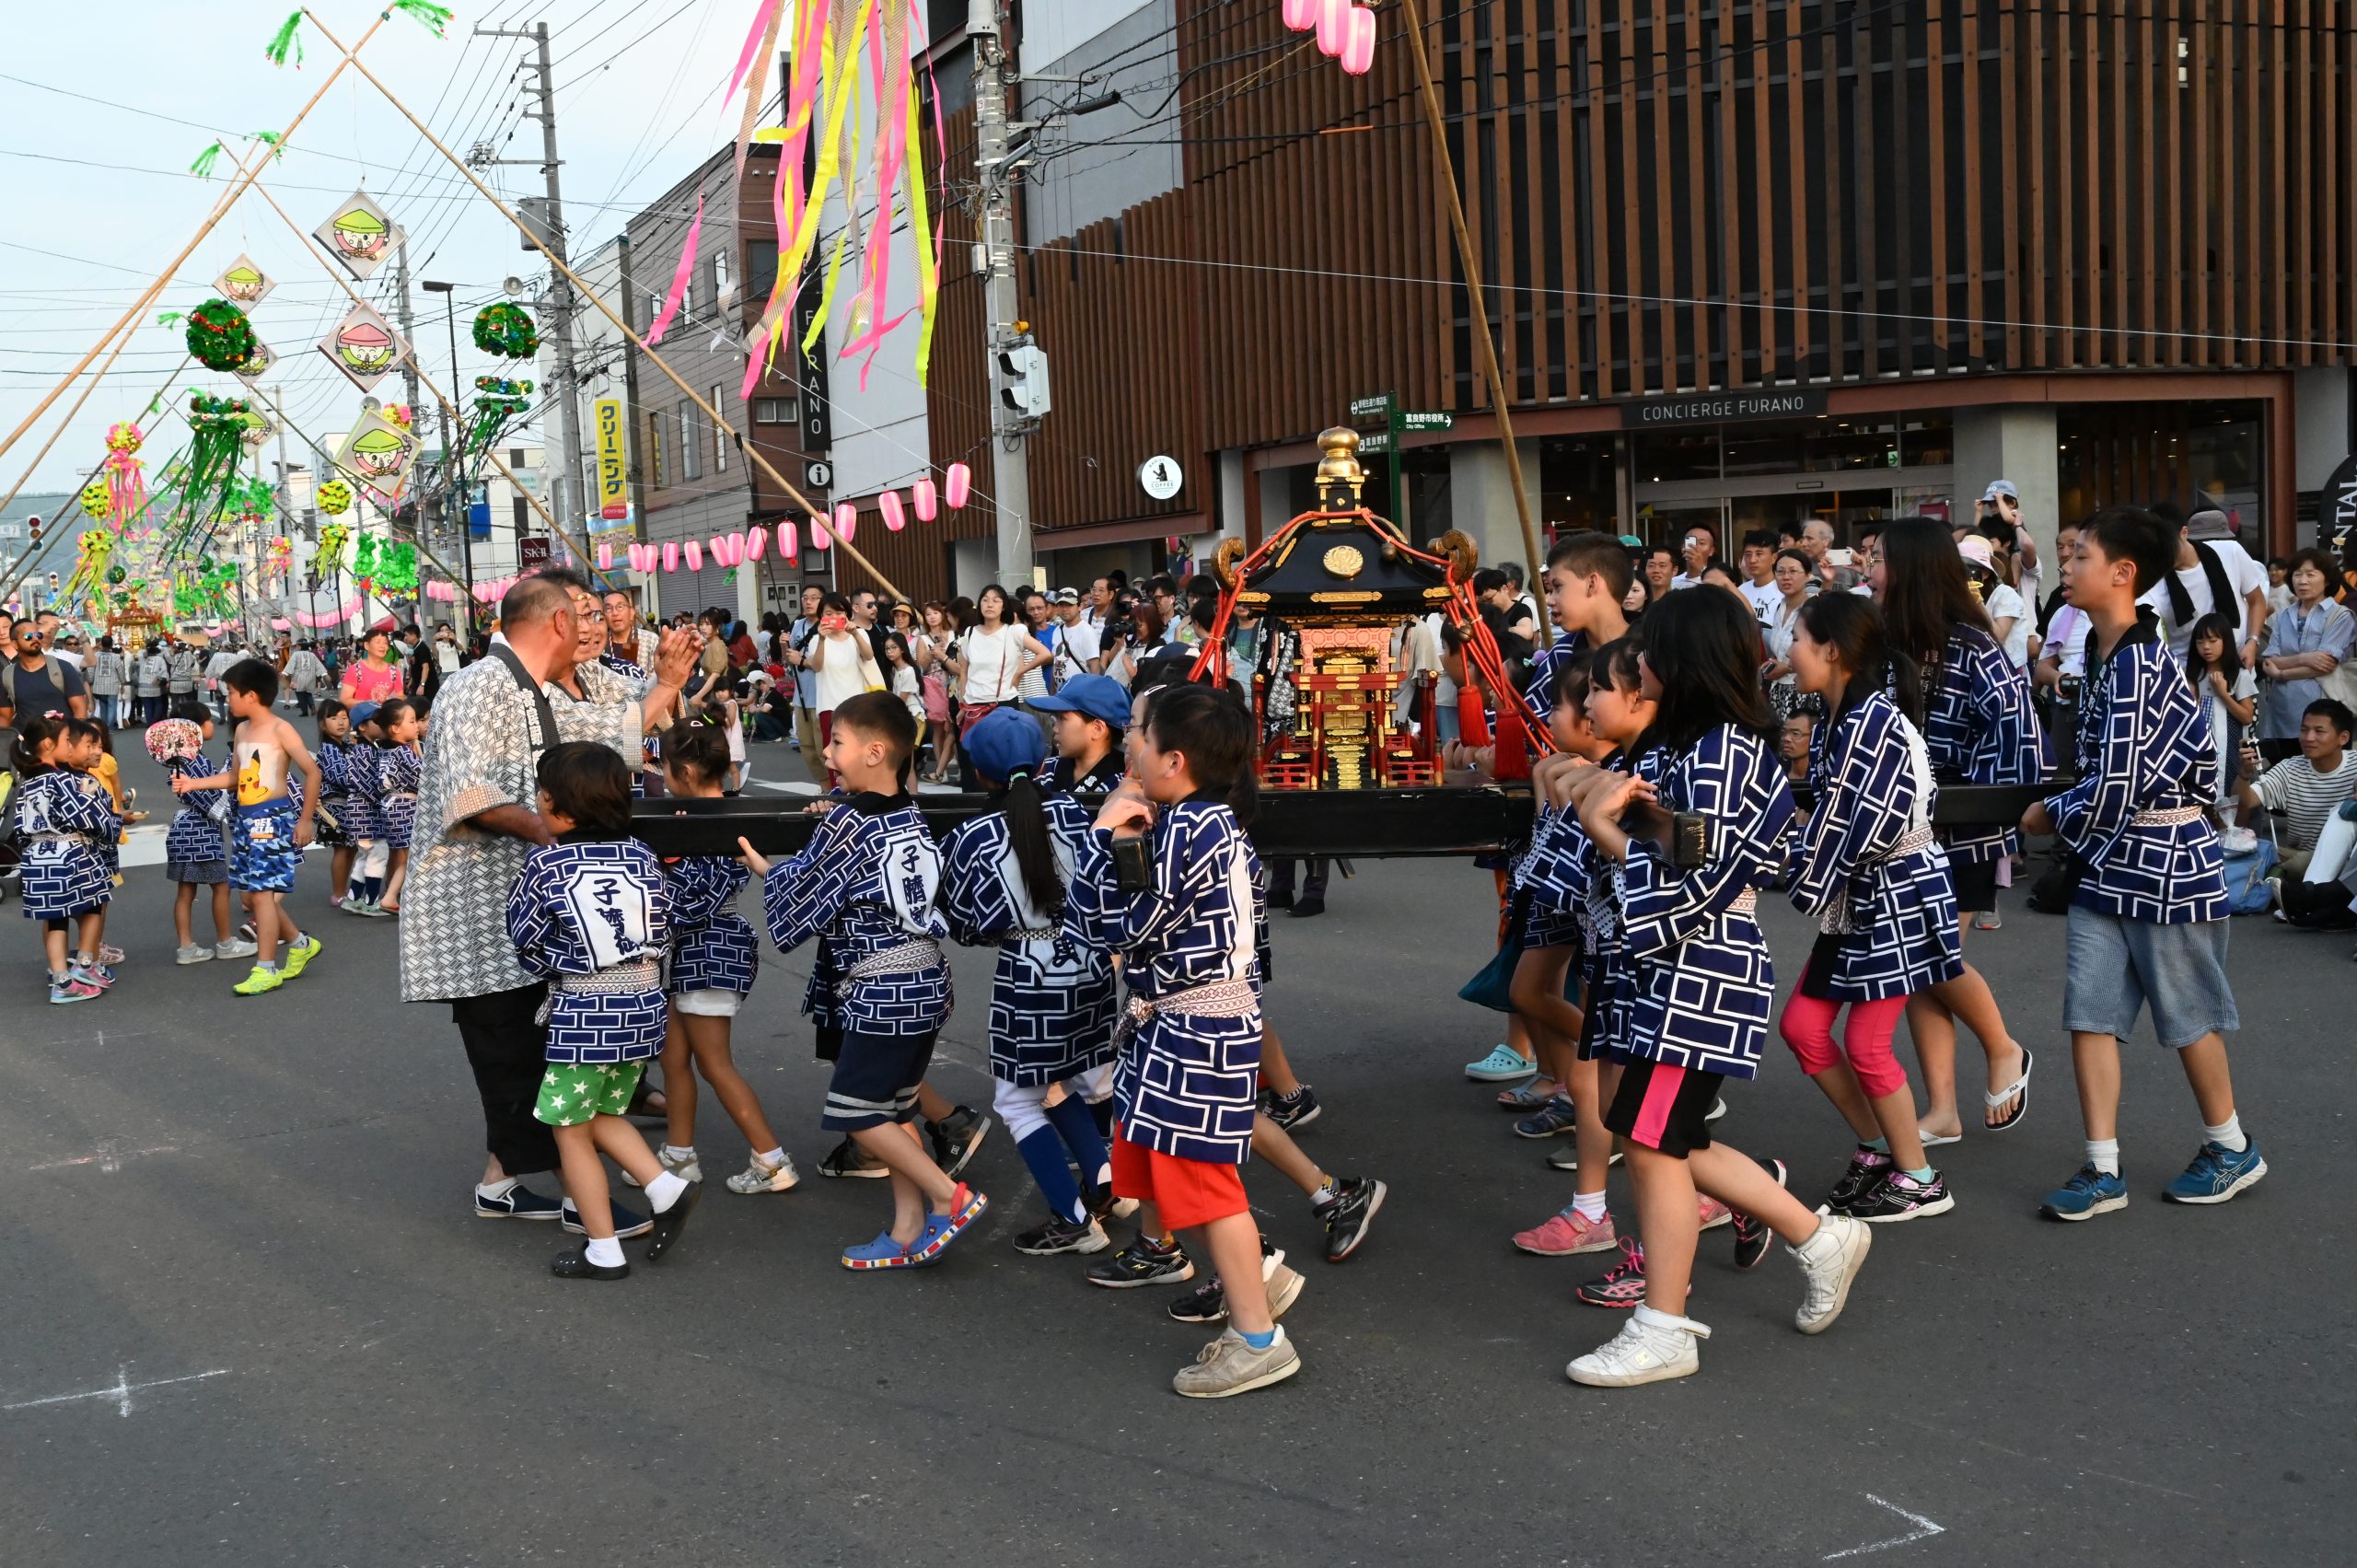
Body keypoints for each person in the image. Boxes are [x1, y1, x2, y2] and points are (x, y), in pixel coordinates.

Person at [1562, 588, 1872, 1386]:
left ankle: (1665, 1324)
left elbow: (1694, 882)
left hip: (1698, 971)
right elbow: (1683, 853)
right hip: (1676, 973)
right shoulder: (1700, 747)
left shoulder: (1725, 753)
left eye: (1654, 648)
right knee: (1668, 1139)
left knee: (1656, 1144)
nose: (1640, 663)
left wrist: (1610, 833)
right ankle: (1817, 1235)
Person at [402, 572, 702, 1231]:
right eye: (585, 615)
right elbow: (469, 797)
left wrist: (671, 684)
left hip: (538, 908)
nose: (594, 627)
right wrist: (569, 838)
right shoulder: (477, 684)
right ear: (560, 622)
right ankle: (584, 1204)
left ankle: (501, 1184)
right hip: (480, 910)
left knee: (529, 1050)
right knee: (519, 1056)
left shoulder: (543, 686)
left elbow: (612, 735)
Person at [2024, 505, 2263, 1220]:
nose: (2066, 566)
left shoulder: (2136, 661)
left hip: (2165, 855)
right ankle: (2103, 1168)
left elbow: (2121, 782)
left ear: (2124, 573)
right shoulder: (2105, 652)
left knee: (2188, 1013)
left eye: (2080, 556)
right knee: (2090, 1013)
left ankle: (2231, 1145)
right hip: (2111, 859)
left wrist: (2050, 814)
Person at [1086, 682, 1302, 1397]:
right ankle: (1252, 1305)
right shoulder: (1198, 819)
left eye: (1139, 732)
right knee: (1190, 1180)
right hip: (1186, 1021)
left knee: (1209, 1187)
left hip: (1195, 1028)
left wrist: (1106, 835)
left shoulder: (1188, 828)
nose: (1128, 742)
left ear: (1172, 758)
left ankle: (1257, 1336)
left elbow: (1116, 925)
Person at [738, 691, 987, 1269]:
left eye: (839, 742)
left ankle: (950, 1198)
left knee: (859, 1113)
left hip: (882, 989)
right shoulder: (908, 812)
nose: (828, 751)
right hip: (925, 981)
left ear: (875, 751)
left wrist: (768, 871)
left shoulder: (848, 822)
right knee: (897, 1110)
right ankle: (904, 1229)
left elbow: (803, 900)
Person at [1779, 594, 1962, 1221]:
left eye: (1798, 637)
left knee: (1866, 1042)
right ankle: (1881, 1144)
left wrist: (1795, 862)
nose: (1789, 649)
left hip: (1895, 890)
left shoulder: (1870, 722)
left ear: (1831, 650)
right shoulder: (1845, 717)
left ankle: (1919, 1177)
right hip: (1863, 893)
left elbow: (1864, 827)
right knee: (1804, 1028)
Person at [506, 741, 701, 1280]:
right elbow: (671, 923)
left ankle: (603, 1249)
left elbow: (526, 940)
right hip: (644, 1007)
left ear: (558, 807)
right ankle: (666, 1188)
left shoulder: (546, 862)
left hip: (585, 1015)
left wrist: (562, 966)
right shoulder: (641, 857)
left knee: (568, 1128)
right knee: (604, 1113)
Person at [1875, 517, 2038, 1139]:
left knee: (1928, 956)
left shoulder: (1970, 645)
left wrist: (1954, 799)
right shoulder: (1892, 639)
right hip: (1905, 828)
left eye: (1880, 559)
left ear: (1911, 568)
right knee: (1920, 964)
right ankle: (1942, 1107)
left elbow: (2015, 740)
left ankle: (2003, 1046)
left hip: (1960, 830)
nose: (1869, 570)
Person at [940, 708, 1121, 1254]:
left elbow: (964, 923)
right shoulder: (1075, 812)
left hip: (1029, 976)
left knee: (1020, 1100)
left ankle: (1074, 1221)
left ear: (981, 771)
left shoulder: (972, 836)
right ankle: (1111, 1179)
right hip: (1091, 970)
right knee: (1064, 1081)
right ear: (1042, 758)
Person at [632, 724, 794, 1196]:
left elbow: (693, 899)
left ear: (682, 770)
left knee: (713, 1062)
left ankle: (771, 1160)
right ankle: (679, 1157)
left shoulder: (714, 822)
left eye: (662, 767)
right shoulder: (723, 810)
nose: (658, 775)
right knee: (674, 1055)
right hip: (700, 950)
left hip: (709, 948)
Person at [170, 659, 322, 995]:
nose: (229, 699)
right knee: (255, 895)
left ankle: (266, 967)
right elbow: (236, 778)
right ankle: (300, 944)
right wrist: (193, 785)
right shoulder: (241, 730)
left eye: (232, 693)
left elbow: (312, 771)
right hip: (246, 821)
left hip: (273, 818)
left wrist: (306, 819)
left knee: (263, 894)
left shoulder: (281, 729)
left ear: (251, 695)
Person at [13, 714, 118, 1005]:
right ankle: (85, 964)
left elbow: (19, 826)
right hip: (70, 854)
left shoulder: (27, 783)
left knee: (56, 919)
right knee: (95, 903)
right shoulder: (63, 780)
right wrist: (113, 826)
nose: (69, 748)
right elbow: (87, 817)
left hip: (37, 857)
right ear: (49, 744)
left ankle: (61, 981)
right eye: (65, 742)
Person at [146, 703, 254, 966]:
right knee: (220, 887)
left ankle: (186, 947)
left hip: (182, 831)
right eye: (207, 721)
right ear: (194, 729)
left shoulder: (178, 762)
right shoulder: (194, 761)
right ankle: (225, 942)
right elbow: (213, 803)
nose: (210, 725)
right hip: (201, 832)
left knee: (186, 891)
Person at [2233, 699, 2357, 878]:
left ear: (2343, 738)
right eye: (2304, 730)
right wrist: (2245, 772)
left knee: (2299, 864)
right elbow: (2245, 801)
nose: (2308, 738)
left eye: (2319, 731)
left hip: (2348, 860)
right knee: (2246, 851)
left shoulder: (2354, 765)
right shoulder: (2290, 768)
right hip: (2300, 855)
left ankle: (2281, 886)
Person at [2256, 548, 2355, 761]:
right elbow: (2269, 662)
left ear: (2327, 579)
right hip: (2282, 712)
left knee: (2326, 778)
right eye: (2298, 574)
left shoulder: (2340, 616)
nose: (2302, 580)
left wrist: (2282, 673)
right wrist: (2305, 658)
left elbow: (2325, 663)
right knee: (2283, 777)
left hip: (2323, 713)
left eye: (2311, 574)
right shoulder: (2284, 615)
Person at [2141, 508, 2270, 666]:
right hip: (2188, 674)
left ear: (2184, 532)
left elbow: (2256, 601)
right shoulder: (2152, 581)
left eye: (2166, 545)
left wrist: (2252, 642)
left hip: (2238, 664)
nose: (2162, 554)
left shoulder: (2230, 552)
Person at [807, 593, 885, 789]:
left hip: (857, 706)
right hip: (829, 706)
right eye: (828, 613)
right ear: (822, 616)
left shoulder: (858, 634)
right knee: (833, 756)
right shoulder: (816, 640)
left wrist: (856, 633)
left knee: (859, 753)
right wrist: (823, 640)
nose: (834, 616)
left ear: (847, 614)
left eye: (839, 612)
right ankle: (837, 796)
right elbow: (816, 666)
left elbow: (868, 656)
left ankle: (861, 792)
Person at [2183, 613, 2257, 810]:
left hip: (2230, 748)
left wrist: (2222, 694)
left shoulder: (2238, 674)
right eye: (2200, 642)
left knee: (2227, 796)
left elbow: (2247, 716)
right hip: (2197, 746)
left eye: (2213, 640)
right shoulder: (2191, 675)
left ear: (2226, 641)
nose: (2206, 647)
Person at [1029, 672, 1132, 796]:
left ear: (1097, 729)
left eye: (1062, 719)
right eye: (1054, 719)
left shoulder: (1121, 785)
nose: (1055, 728)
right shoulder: (1045, 771)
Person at [371, 696, 424, 914]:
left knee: (402, 853)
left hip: (390, 806)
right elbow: (424, 776)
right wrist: (419, 752)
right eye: (411, 722)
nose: (417, 725)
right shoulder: (403, 752)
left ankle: (391, 893)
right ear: (395, 728)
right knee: (413, 854)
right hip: (404, 806)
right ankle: (392, 895)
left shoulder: (384, 750)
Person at [1757, 549, 1814, 718]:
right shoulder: (1779, 607)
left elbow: (1820, 653)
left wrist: (1788, 668)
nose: (1786, 577)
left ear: (1808, 575)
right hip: (1777, 689)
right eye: (1780, 572)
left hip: (1804, 691)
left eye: (1793, 571)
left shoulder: (1813, 608)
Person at [0, 616, 88, 724]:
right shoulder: (7, 675)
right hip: (26, 739)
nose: (35, 639)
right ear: (14, 644)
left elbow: (79, 708)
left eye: (38, 635)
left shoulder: (63, 668)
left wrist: (77, 737)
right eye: (28, 636)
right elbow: (5, 717)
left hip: (62, 738)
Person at [340, 626, 404, 707]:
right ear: (366, 645)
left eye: (385, 643)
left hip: (387, 718)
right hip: (364, 718)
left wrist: (391, 702)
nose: (382, 646)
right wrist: (372, 705)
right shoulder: (356, 670)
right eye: (378, 642)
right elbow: (344, 700)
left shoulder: (393, 671)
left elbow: (401, 696)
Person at [86, 635, 123, 728]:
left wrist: (90, 681)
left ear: (101, 644)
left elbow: (91, 670)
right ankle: (110, 726)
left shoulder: (96, 655)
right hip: (112, 685)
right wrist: (123, 682)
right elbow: (120, 670)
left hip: (99, 686)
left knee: (103, 706)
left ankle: (104, 727)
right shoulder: (115, 657)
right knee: (112, 706)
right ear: (111, 645)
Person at [134, 639, 167, 726]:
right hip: (154, 684)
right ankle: (154, 721)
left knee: (147, 705)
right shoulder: (160, 659)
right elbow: (164, 672)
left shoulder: (142, 659)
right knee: (158, 703)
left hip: (142, 686)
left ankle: (150, 723)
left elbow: (140, 652)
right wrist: (159, 678)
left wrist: (147, 649)